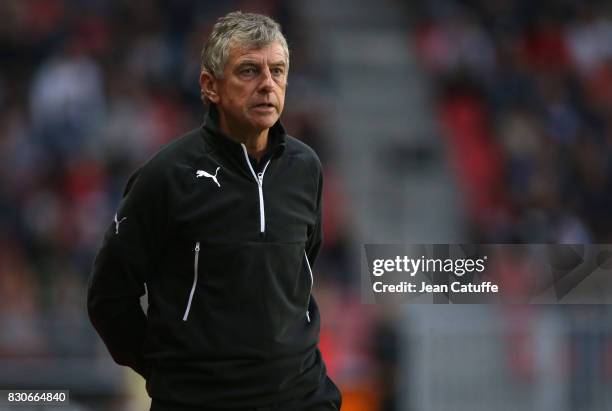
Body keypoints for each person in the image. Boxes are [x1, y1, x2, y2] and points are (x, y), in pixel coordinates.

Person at [87, 11, 341, 411]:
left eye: (277, 71)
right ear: (210, 86)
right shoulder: (166, 176)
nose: (267, 85)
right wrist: (167, 373)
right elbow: (109, 296)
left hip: (302, 398)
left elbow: (300, 271)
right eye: (249, 71)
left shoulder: (306, 167)